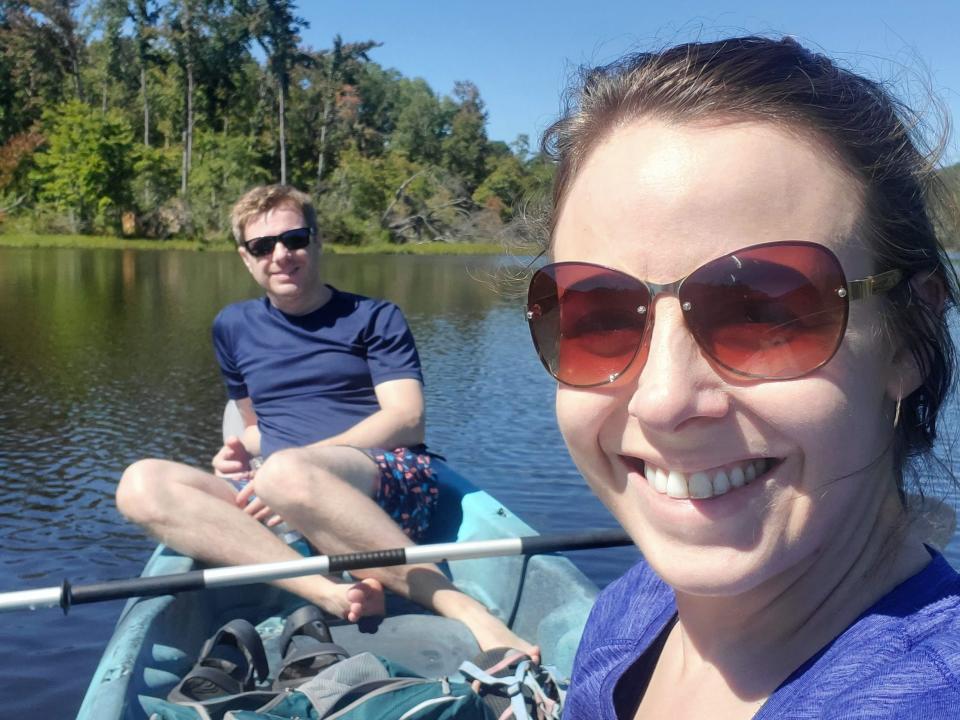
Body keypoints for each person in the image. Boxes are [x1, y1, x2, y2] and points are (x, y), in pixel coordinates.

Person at [521, 36, 960, 718]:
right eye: (598, 315)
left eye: (763, 312)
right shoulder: (633, 608)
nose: (664, 400)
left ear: (910, 342)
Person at [116, 183, 534, 655]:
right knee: (140, 483)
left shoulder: (374, 317)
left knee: (285, 472)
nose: (280, 254)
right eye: (262, 246)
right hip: (278, 489)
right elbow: (253, 425)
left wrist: (291, 468)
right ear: (245, 257)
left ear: (316, 241)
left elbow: (407, 418)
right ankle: (329, 591)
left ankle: (466, 610)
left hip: (385, 477)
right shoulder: (231, 327)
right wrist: (238, 449)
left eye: (294, 239)